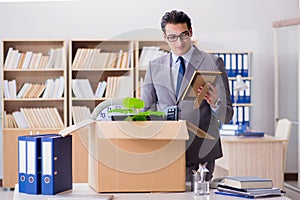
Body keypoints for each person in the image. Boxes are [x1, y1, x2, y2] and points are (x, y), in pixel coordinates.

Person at [140, 10, 233, 182]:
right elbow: (146, 110)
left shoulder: (213, 63)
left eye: (183, 35)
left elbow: (227, 115)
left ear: (191, 32)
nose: (179, 42)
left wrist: (215, 104)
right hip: (165, 149)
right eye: (172, 37)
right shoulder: (155, 66)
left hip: (201, 152)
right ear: (164, 37)